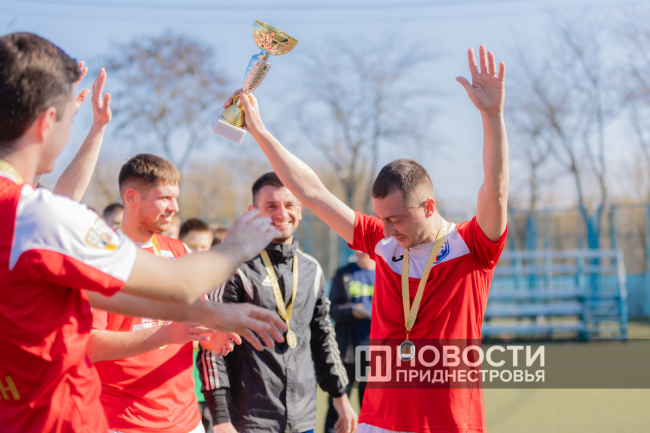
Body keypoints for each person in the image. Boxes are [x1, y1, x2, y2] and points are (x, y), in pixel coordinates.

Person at [0, 32, 286, 433]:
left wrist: (212, 315)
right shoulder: (35, 216)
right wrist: (238, 244)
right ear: (47, 123)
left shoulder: (26, 217)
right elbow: (180, 283)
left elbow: (107, 290)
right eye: (68, 118)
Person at [227, 44, 509, 433]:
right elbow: (313, 193)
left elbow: (495, 190)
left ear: (429, 206)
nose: (387, 230)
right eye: (381, 219)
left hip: (449, 422)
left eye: (396, 219)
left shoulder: (473, 244)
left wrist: (492, 116)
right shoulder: (382, 240)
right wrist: (258, 130)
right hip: (379, 421)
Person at [197, 172, 358, 433]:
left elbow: (322, 337)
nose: (282, 214)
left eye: (289, 205)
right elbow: (211, 346)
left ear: (300, 210)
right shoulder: (235, 268)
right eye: (271, 206)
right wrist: (221, 418)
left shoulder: (312, 269)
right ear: (253, 213)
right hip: (250, 420)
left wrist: (340, 396)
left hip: (303, 419)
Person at [88, 154, 217, 433]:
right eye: (165, 198)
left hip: (187, 421)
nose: (175, 207)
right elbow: (89, 345)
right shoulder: (99, 256)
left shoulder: (179, 251)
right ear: (132, 197)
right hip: (123, 422)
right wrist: (167, 333)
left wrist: (217, 336)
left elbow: (200, 322)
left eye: (176, 198)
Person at [325, 250, 375, 433]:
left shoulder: (387, 273)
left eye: (364, 247)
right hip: (348, 350)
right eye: (356, 247)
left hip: (376, 353)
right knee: (338, 404)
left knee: (371, 408)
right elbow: (333, 310)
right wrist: (352, 312)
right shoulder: (343, 274)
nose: (360, 251)